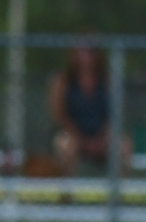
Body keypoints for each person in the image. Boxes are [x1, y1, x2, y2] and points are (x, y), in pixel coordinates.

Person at [48, 45, 131, 177]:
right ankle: (66, 188)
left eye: (90, 51)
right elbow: (59, 114)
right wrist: (80, 138)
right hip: (73, 134)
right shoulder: (63, 81)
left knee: (123, 146)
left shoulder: (107, 81)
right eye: (82, 51)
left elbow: (115, 113)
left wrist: (101, 137)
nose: (86, 56)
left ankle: (118, 188)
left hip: (103, 136)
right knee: (65, 145)